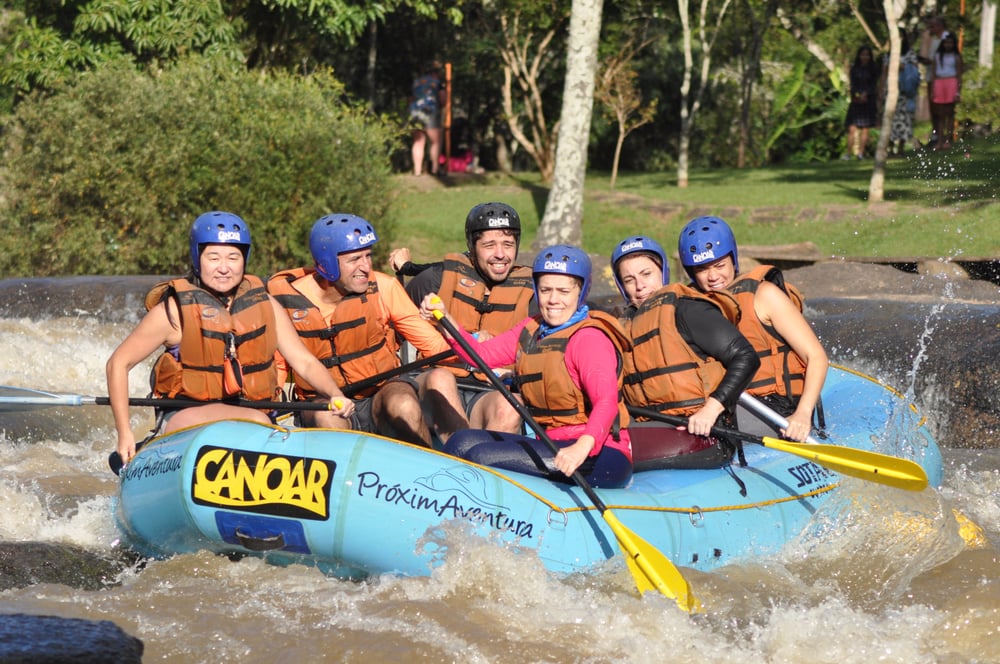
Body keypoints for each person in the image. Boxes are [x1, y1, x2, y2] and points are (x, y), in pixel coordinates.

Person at [106, 212, 352, 466]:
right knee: (255, 422)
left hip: (253, 416)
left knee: (257, 421)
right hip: (186, 415)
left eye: (233, 257)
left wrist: (335, 394)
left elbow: (305, 362)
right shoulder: (174, 312)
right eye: (214, 257)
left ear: (244, 260)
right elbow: (118, 364)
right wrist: (124, 433)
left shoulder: (265, 305)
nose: (224, 267)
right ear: (197, 259)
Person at [422, 245, 634, 488]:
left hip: (600, 453)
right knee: (460, 442)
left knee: (481, 457)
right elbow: (479, 355)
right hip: (551, 444)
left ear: (581, 293)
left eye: (563, 291)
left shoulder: (590, 339)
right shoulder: (533, 329)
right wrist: (444, 318)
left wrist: (581, 447)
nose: (553, 300)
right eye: (545, 290)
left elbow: (606, 403)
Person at [267, 213, 453, 447]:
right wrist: (268, 411)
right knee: (329, 417)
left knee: (403, 404)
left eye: (368, 256)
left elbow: (434, 346)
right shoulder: (286, 302)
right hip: (323, 400)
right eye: (355, 259)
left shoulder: (384, 288)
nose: (366, 267)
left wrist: (478, 350)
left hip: (381, 393)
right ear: (327, 264)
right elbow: (279, 367)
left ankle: (428, 472)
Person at [388, 202, 533, 439]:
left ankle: (488, 468)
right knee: (440, 378)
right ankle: (463, 458)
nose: (500, 254)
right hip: (433, 391)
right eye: (489, 245)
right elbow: (392, 327)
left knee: (510, 406)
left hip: (489, 392)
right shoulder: (434, 280)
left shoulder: (532, 293)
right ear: (472, 246)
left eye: (508, 244)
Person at [677, 216, 828, 443]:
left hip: (778, 407)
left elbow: (816, 356)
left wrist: (803, 415)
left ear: (733, 259)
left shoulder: (764, 295)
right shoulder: (694, 308)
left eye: (719, 265)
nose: (713, 276)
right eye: (702, 269)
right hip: (730, 404)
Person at [611, 236, 759, 445]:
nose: (640, 286)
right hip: (652, 430)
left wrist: (710, 410)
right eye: (629, 280)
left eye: (646, 274)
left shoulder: (686, 309)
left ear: (662, 273)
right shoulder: (621, 328)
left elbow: (746, 357)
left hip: (706, 432)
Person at [881, 29, 921, 156]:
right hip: (891, 91)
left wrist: (902, 66)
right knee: (890, 119)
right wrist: (881, 89)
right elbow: (884, 72)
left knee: (905, 119)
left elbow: (915, 69)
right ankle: (890, 147)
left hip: (905, 91)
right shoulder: (888, 55)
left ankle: (901, 148)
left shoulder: (909, 53)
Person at [842, 45, 881, 160]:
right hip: (856, 100)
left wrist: (866, 94)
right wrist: (858, 95)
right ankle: (848, 153)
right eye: (863, 54)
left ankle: (861, 153)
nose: (865, 57)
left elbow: (874, 84)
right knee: (852, 128)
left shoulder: (873, 69)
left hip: (869, 100)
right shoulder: (855, 69)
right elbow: (852, 85)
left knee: (865, 128)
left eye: (867, 55)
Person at [408, 60, 446, 177]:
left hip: (415, 113)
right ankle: (435, 169)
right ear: (436, 73)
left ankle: (417, 170)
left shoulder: (416, 83)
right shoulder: (437, 83)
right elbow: (443, 99)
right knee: (435, 142)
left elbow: (410, 99)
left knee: (418, 142)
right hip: (431, 113)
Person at [918, 16, 949, 147]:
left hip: (943, 78)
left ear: (940, 26)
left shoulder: (946, 38)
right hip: (931, 77)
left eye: (933, 26)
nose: (930, 29)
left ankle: (944, 137)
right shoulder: (931, 38)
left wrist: (932, 62)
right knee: (934, 109)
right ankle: (936, 135)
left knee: (943, 109)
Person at [930, 32, 963, 151]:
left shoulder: (956, 57)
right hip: (939, 83)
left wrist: (958, 91)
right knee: (940, 115)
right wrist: (933, 89)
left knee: (949, 114)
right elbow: (933, 73)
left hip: (952, 83)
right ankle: (939, 140)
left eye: (950, 43)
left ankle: (948, 140)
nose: (948, 45)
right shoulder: (938, 56)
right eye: (946, 43)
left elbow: (959, 74)